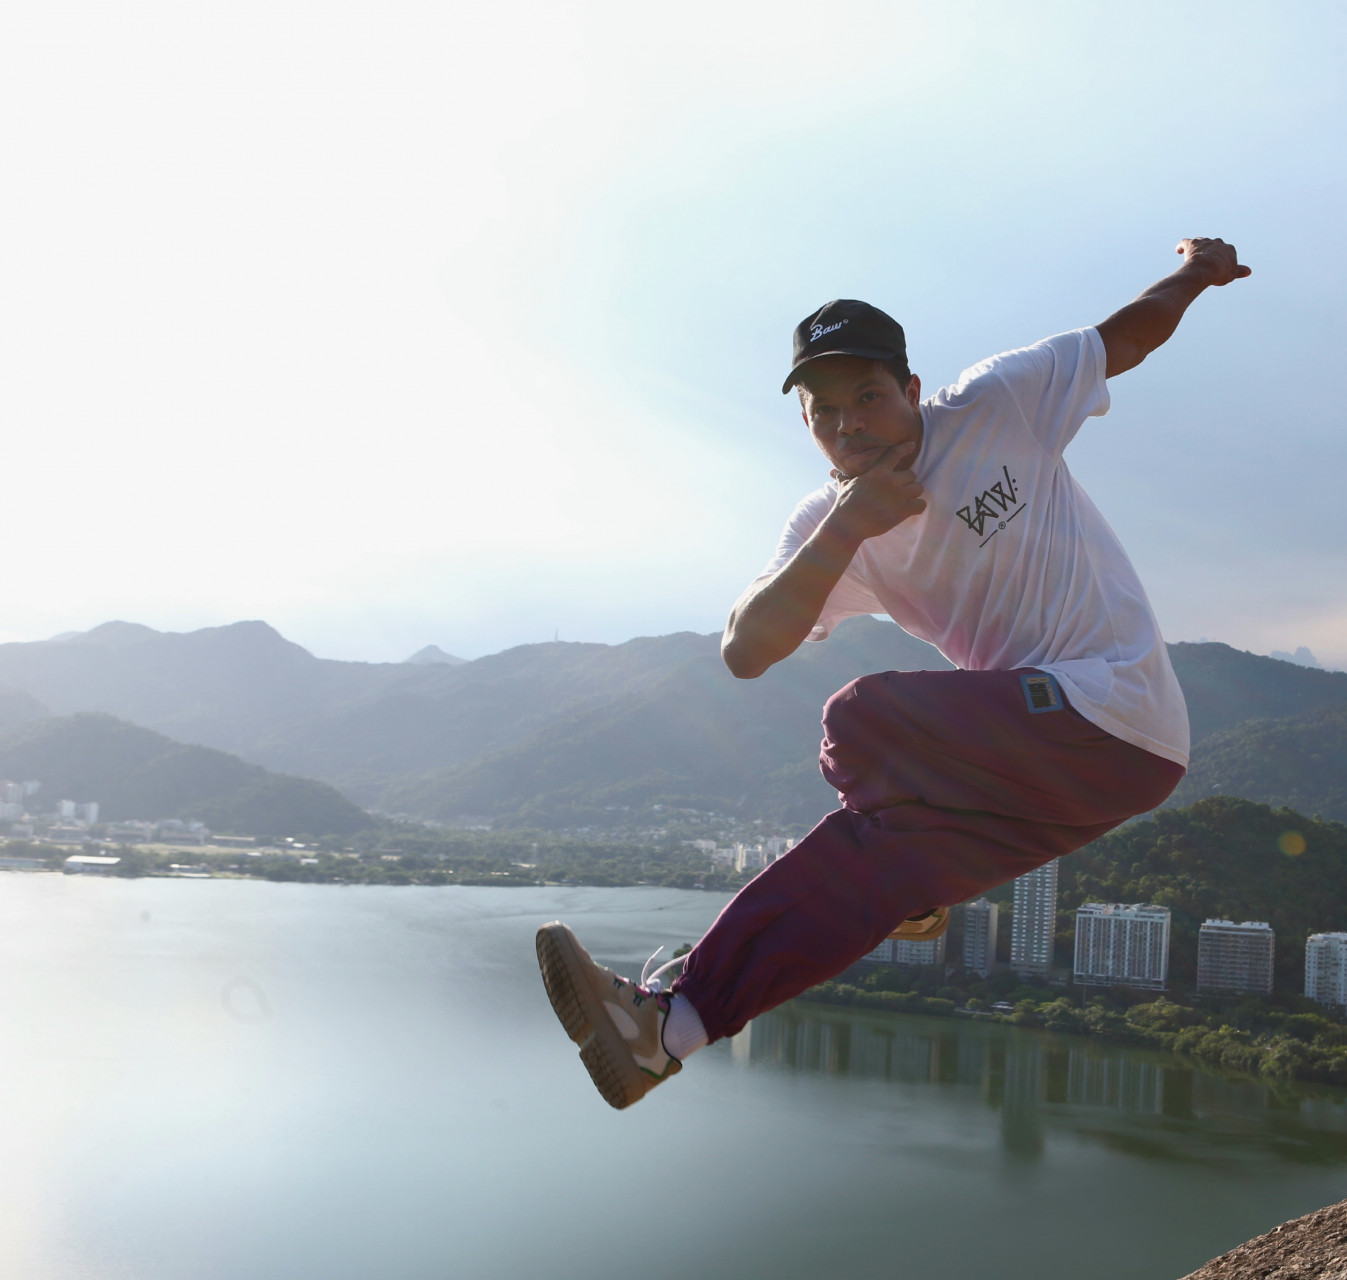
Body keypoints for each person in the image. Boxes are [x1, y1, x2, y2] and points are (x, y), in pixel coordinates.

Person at [536, 237, 1251, 1109]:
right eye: (823, 412)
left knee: (862, 721)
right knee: (860, 870)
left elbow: (1123, 338)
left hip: (1114, 708)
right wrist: (847, 528)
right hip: (1052, 763)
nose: (849, 425)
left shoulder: (996, 404)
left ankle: (911, 862)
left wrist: (1196, 273)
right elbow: (744, 650)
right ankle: (670, 1028)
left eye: (868, 397)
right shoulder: (824, 523)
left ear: (911, 390)